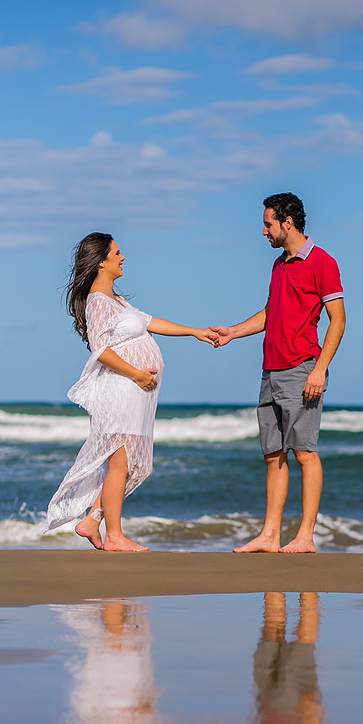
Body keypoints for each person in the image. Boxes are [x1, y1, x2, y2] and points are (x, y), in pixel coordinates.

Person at [44, 232, 216, 551]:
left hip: (136, 392)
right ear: (101, 262)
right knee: (121, 464)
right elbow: (100, 349)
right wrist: (137, 374)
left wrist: (195, 332)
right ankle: (114, 536)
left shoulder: (117, 301)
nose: (122, 258)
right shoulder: (98, 301)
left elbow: (151, 322)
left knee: (137, 466)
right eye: (117, 253)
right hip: (121, 390)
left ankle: (92, 520)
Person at [211, 193, 345, 553]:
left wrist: (320, 370)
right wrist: (233, 332)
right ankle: (270, 535)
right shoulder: (278, 265)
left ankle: (305, 537)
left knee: (305, 452)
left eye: (268, 224)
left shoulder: (322, 262)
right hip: (270, 369)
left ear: (288, 222)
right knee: (273, 454)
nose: (264, 232)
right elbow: (271, 313)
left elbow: (338, 321)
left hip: (302, 369)